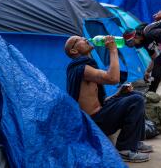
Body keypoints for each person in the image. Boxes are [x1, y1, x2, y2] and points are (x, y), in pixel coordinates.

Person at [64, 35, 152, 163]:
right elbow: (113, 78)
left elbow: (99, 101)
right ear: (74, 51)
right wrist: (113, 50)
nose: (85, 39)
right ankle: (125, 150)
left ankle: (134, 141)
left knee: (136, 96)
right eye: (79, 40)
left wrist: (117, 94)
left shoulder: (86, 67)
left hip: (100, 113)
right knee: (135, 101)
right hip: (94, 122)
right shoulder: (81, 69)